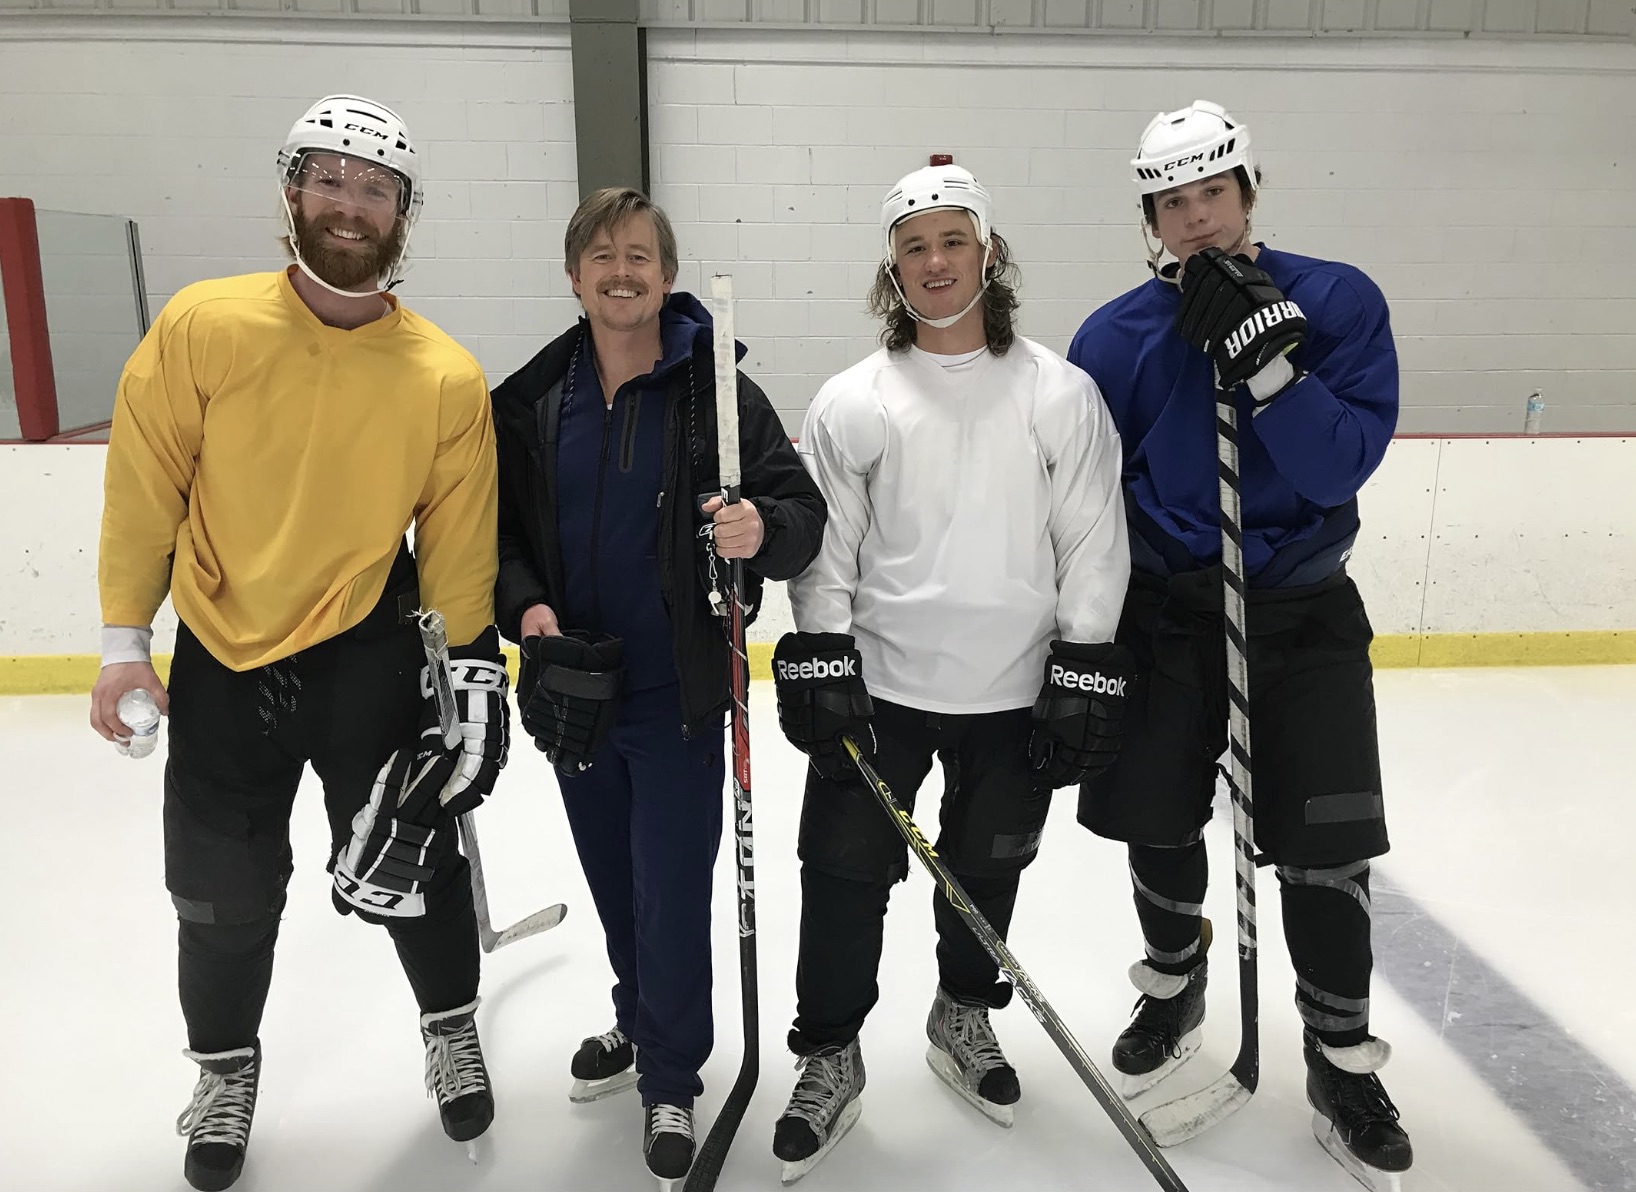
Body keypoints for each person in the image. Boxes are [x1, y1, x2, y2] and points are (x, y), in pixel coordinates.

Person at [89, 94, 509, 1191]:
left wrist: (470, 674)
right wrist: (121, 640)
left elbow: (459, 540)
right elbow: (144, 488)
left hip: (365, 655)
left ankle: (450, 1022)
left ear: (404, 212)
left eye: (376, 187)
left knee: (406, 859)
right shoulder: (203, 325)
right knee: (220, 889)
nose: (351, 203)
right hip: (225, 657)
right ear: (292, 192)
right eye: (329, 178)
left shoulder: (444, 375)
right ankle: (224, 1068)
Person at [1067, 100, 1413, 1190]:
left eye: (1212, 192)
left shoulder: (1338, 300)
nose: (1196, 219)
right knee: (1155, 817)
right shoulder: (1111, 335)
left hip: (1298, 610)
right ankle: (1174, 985)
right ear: (1150, 216)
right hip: (1168, 613)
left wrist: (1271, 371)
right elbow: (1092, 498)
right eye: (1172, 201)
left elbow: (1332, 469)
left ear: (1247, 190)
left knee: (1322, 837)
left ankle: (1337, 1053)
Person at [768, 159, 1131, 1182]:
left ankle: (963, 1015)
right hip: (882, 686)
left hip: (1014, 689)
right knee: (841, 876)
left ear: (989, 252)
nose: (935, 261)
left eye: (953, 240)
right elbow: (827, 548)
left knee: (990, 864)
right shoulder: (855, 398)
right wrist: (820, 643)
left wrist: (1083, 659)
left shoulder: (1059, 393)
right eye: (914, 245)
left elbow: (1094, 539)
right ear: (893, 267)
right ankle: (828, 1052)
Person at [489, 186, 825, 1188]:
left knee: (672, 889)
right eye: (602, 255)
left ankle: (672, 1074)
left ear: (666, 275)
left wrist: (758, 531)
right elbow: (498, 538)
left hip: (677, 691)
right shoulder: (534, 399)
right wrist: (526, 609)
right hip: (573, 689)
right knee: (613, 879)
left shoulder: (715, 395)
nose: (621, 271)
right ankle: (639, 1022)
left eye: (640, 255)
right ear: (573, 274)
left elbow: (799, 512)